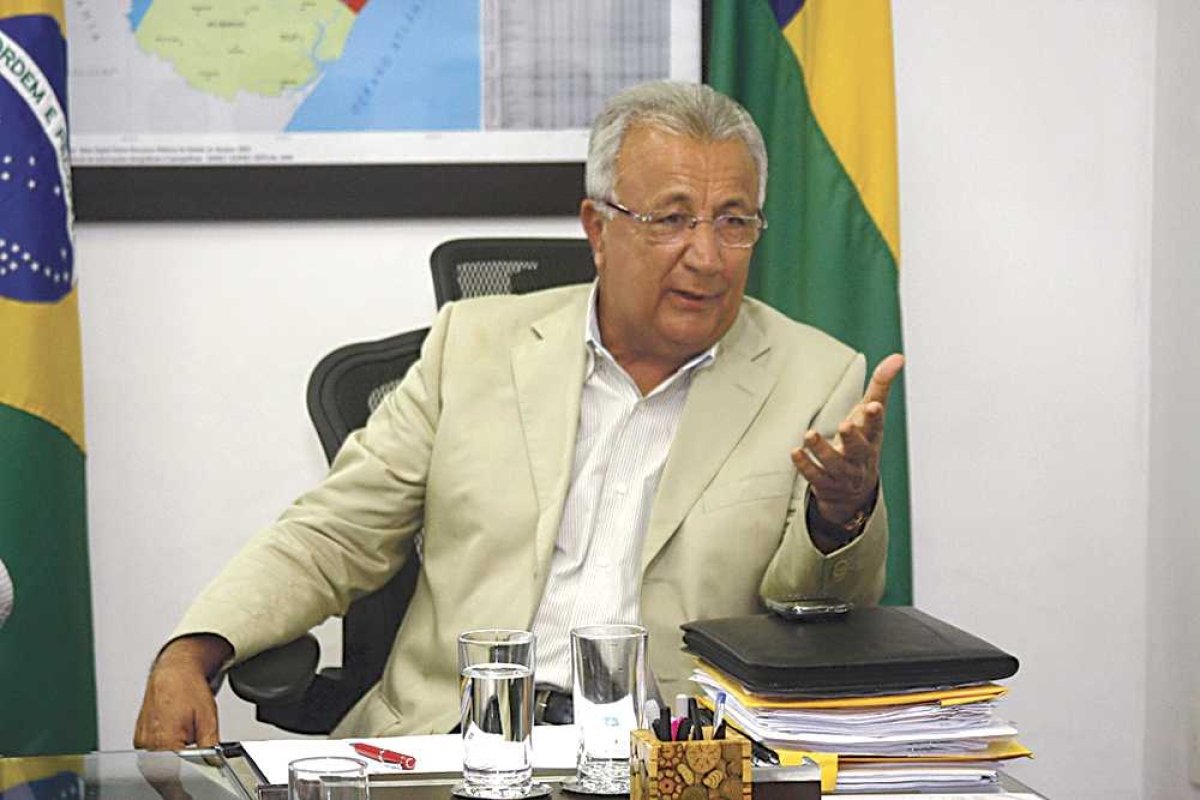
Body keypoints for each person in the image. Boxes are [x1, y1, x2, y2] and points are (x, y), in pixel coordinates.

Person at [134, 81, 904, 750]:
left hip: (665, 762)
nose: (706, 255)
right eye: (670, 219)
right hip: (452, 748)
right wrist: (191, 650)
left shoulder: (815, 377)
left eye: (734, 222)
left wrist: (838, 517)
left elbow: (820, 615)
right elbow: (333, 535)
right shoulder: (473, 346)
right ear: (598, 229)